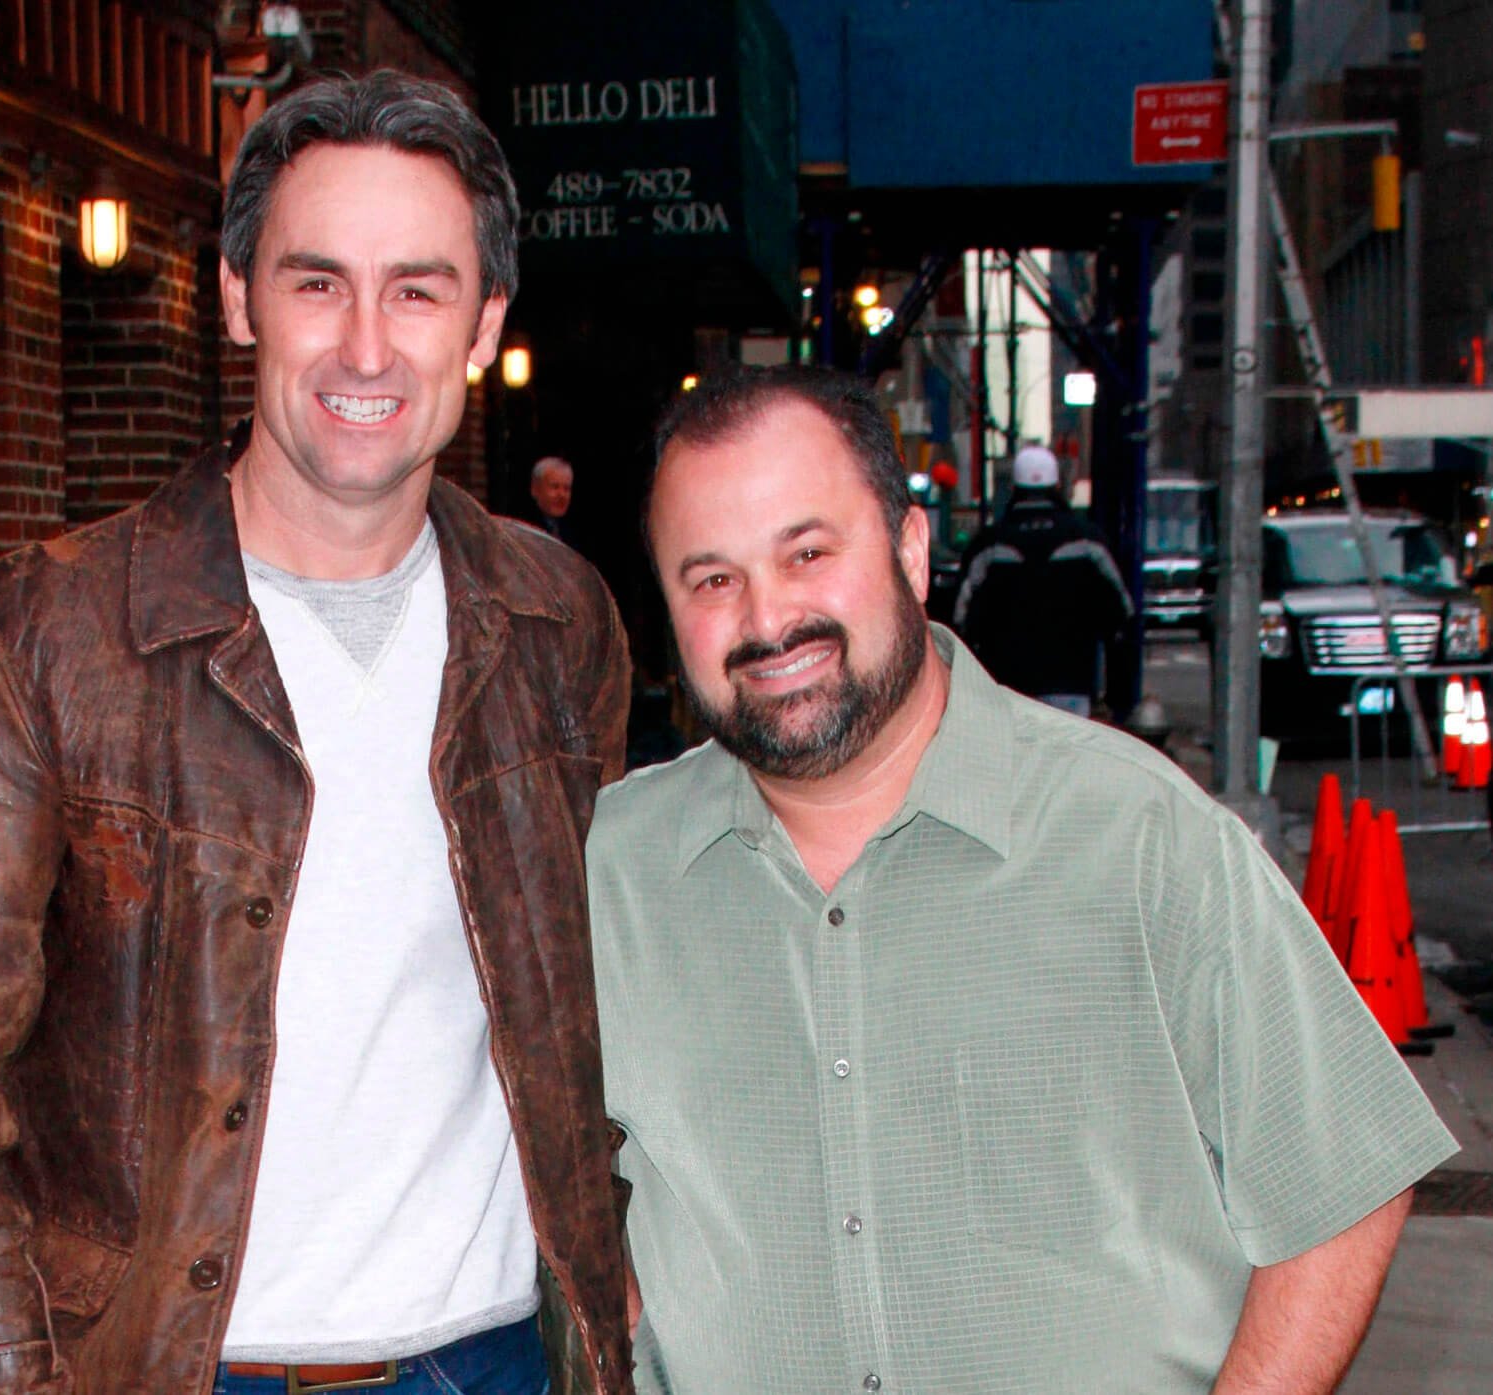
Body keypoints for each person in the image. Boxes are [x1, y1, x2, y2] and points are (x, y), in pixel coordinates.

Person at [0, 71, 635, 1395]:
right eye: (317, 282)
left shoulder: (556, 622)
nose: (365, 345)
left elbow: (586, 1005)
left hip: (499, 1358)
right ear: (236, 296)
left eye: (418, 289)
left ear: (483, 323)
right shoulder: (50, 634)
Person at [588, 365, 1455, 1395]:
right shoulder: (613, 869)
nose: (769, 618)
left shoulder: (1137, 834)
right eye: (712, 578)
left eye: (807, 553)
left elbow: (1343, 1183)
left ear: (911, 552)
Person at [952, 442, 1133, 716]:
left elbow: (960, 617)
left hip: (1006, 685)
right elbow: (1121, 611)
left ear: (1013, 487)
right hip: (1071, 682)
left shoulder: (990, 544)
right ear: (1058, 485)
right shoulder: (1087, 541)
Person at [529, 456, 576, 542]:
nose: (562, 495)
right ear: (535, 489)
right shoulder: (524, 528)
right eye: (555, 487)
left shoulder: (573, 530)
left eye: (566, 488)